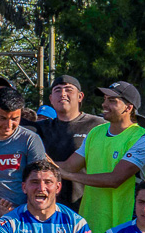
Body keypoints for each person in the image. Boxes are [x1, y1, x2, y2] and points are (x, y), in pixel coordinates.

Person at [59, 80, 145, 233]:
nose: (104, 104)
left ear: (129, 107)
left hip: (124, 227)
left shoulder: (142, 138)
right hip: (91, 224)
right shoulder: (96, 132)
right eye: (105, 99)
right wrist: (40, 160)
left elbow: (115, 179)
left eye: (112, 100)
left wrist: (69, 176)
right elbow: (68, 166)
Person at [30, 75, 106, 206]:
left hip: (87, 204)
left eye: (69, 90)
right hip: (49, 206)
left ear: (80, 96)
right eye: (58, 90)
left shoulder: (99, 126)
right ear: (51, 99)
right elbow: (7, 123)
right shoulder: (40, 128)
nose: (63, 94)